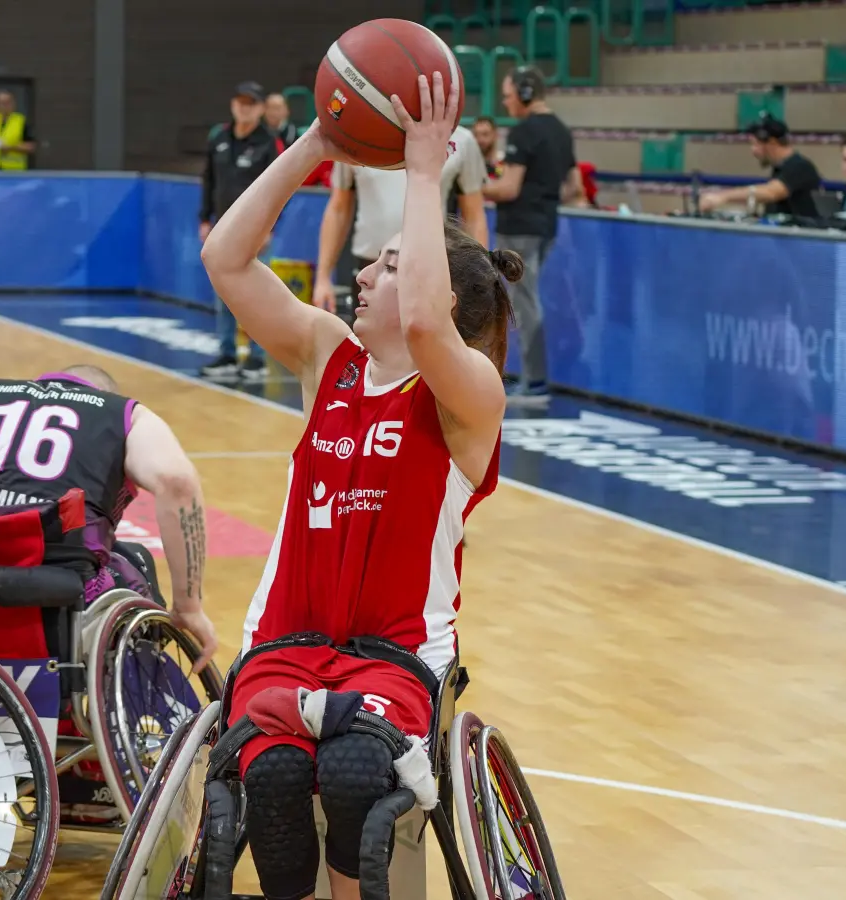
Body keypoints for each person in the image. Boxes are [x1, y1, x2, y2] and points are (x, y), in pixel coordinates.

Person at [201, 72, 510, 900]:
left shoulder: (467, 396)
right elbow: (225, 259)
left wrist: (419, 171)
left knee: (351, 777)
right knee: (266, 786)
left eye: (389, 262)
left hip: (394, 659)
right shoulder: (327, 359)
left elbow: (422, 325)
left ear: (438, 294)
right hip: (287, 644)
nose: (363, 275)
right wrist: (315, 144)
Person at [0, 364, 218, 667]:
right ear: (104, 395)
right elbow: (177, 482)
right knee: (135, 561)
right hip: (62, 578)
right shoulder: (127, 415)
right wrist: (189, 607)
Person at [310, 116, 489, 319]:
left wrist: (480, 281)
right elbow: (338, 208)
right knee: (367, 350)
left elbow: (474, 215)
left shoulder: (461, 139)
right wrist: (323, 277)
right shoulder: (356, 134)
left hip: (431, 271)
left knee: (427, 350)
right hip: (369, 269)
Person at [481, 65, 583, 406]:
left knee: (524, 302)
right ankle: (531, 379)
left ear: (525, 93)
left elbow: (508, 189)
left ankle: (535, 382)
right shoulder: (562, 131)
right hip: (545, 227)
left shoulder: (524, 132)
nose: (506, 103)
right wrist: (544, 198)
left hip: (520, 228)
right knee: (527, 299)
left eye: (508, 96)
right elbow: (574, 188)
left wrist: (473, 188)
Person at [199, 81, 283, 381]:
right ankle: (227, 353)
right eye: (240, 101)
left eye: (251, 103)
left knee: (256, 294)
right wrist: (204, 219)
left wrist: (268, 228)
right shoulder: (219, 137)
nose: (244, 107)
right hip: (221, 228)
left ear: (261, 108)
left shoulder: (268, 143)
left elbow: (279, 187)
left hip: (254, 232)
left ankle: (257, 358)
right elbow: (209, 179)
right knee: (222, 294)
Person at [697, 114, 821, 221]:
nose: (753, 151)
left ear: (771, 143)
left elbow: (771, 192)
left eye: (755, 144)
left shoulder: (800, 167)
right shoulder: (780, 169)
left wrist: (723, 196)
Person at [0, 89, 37, 171]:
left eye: (5, 103)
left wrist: (10, 147)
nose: (2, 106)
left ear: (12, 104)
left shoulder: (21, 121)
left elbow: (31, 147)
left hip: (13, 171)